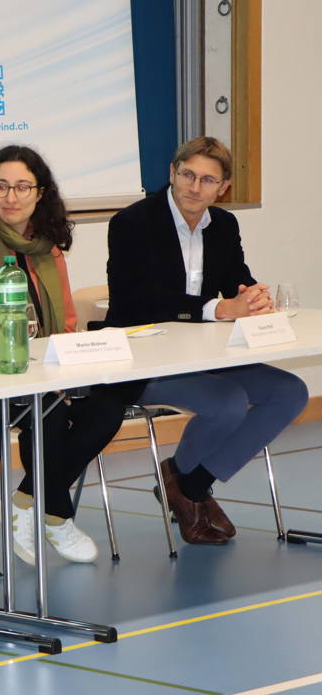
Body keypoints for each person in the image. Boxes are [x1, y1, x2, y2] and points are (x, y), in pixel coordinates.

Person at [0, 145, 144, 564]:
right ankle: (57, 514)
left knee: (107, 408)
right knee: (46, 418)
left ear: (39, 193)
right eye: (1, 186)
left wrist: (63, 366)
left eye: (22, 187)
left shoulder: (47, 248)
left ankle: (27, 501)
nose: (11, 197)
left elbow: (66, 320)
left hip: (48, 369)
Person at [104, 136, 308, 544]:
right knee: (227, 401)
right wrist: (218, 309)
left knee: (291, 392)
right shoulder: (131, 223)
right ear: (172, 174)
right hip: (143, 359)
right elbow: (140, 301)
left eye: (207, 180)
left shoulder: (225, 225)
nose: (194, 187)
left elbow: (236, 277)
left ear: (223, 188)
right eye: (187, 175)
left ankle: (190, 485)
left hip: (207, 356)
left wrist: (253, 295)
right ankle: (184, 487)